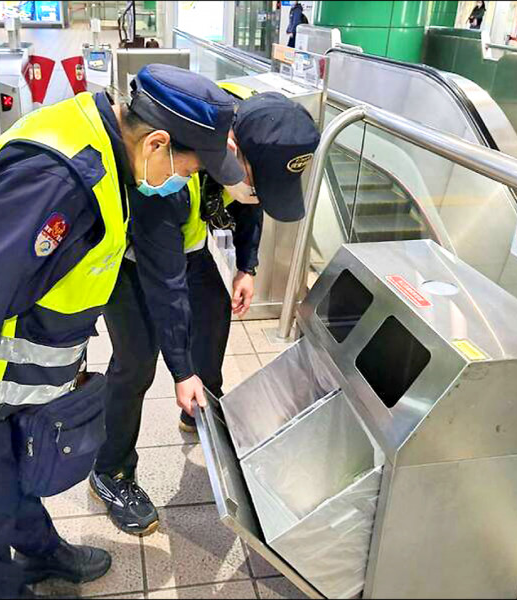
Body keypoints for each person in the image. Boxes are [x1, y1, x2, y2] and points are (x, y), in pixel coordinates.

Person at [0, 64, 242, 599]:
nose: (186, 178)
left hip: (0, 375)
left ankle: (44, 550)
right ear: (159, 143)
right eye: (188, 166)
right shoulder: (57, 184)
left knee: (15, 472)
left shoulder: (106, 143)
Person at [89, 88, 322, 536]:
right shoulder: (173, 166)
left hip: (188, 250)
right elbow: (165, 282)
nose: (256, 191)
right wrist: (180, 371)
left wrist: (246, 267)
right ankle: (111, 471)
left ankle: (198, 411)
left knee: (212, 323)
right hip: (134, 260)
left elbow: (253, 206)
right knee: (137, 362)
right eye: (256, 180)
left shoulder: (247, 164)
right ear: (232, 151)